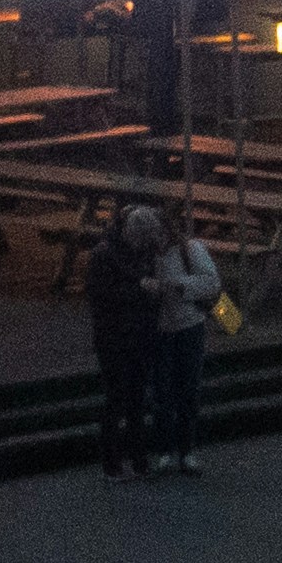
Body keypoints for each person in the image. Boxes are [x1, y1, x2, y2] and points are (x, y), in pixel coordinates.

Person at [84, 204, 164, 477]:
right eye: (140, 239)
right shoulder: (104, 255)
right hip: (114, 337)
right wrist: (139, 289)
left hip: (139, 334)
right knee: (116, 399)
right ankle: (112, 464)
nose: (143, 245)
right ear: (130, 232)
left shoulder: (142, 253)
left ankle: (139, 460)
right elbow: (99, 295)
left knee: (136, 400)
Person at [149, 217, 224, 475]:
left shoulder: (189, 250)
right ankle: (165, 451)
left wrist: (181, 285)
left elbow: (212, 283)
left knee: (188, 389)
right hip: (161, 330)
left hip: (189, 326)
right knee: (162, 391)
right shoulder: (147, 256)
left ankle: (186, 450)